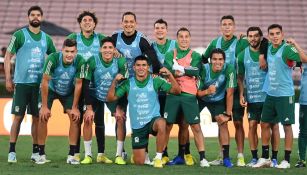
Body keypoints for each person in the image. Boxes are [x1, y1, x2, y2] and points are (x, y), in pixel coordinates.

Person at [106, 55, 181, 168]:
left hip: (153, 120)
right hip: (138, 126)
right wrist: (114, 82)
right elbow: (110, 98)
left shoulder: (155, 80)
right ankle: (142, 154)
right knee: (139, 162)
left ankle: (158, 158)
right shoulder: (128, 84)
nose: (141, 68)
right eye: (138, 65)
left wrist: (170, 75)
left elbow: (177, 91)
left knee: (162, 123)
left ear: (148, 67)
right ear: (134, 67)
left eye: (144, 65)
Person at [4, 6, 56, 163]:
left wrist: (51, 77)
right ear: (28, 17)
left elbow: (54, 57)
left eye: (38, 15)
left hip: (38, 85)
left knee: (36, 118)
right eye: (32, 15)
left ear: (42, 17)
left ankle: (35, 152)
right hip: (21, 83)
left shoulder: (46, 38)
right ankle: (12, 151)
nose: (35, 17)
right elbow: (7, 56)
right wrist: (8, 78)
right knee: (18, 117)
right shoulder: (19, 35)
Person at [253, 24, 307, 169]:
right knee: (264, 123)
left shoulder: (287, 49)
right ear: (269, 36)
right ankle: (265, 157)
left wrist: (295, 43)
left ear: (282, 35)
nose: (275, 36)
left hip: (285, 95)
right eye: (272, 34)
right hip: (271, 94)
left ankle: (287, 160)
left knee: (287, 126)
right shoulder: (269, 47)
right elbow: (256, 40)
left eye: (278, 33)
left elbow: (305, 59)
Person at [111, 11, 161, 164]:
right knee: (120, 117)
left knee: (141, 118)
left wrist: (156, 72)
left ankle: (144, 153)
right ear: (122, 23)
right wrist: (111, 51)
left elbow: (152, 56)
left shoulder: (142, 40)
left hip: (138, 85)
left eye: (131, 21)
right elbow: (104, 47)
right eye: (126, 21)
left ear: (136, 23)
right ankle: (119, 153)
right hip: (122, 84)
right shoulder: (114, 38)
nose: (128, 24)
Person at [202, 15, 249, 166]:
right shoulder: (215, 43)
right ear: (220, 27)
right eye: (224, 24)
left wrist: (247, 38)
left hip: (233, 89)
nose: (227, 27)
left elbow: (257, 45)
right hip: (218, 91)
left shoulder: (240, 42)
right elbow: (203, 60)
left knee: (237, 122)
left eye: (230, 24)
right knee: (221, 123)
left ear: (234, 27)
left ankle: (240, 155)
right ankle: (222, 155)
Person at [163, 27, 210, 168]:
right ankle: (162, 155)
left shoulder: (195, 55)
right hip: (172, 93)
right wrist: (177, 71)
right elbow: (167, 70)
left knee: (192, 125)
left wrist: (180, 69)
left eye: (186, 37)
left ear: (190, 39)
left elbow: (195, 71)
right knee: (168, 125)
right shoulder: (169, 54)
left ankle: (202, 158)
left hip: (189, 95)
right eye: (181, 37)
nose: (184, 39)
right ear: (177, 39)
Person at [36, 39, 85, 165]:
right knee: (43, 116)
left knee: (75, 117)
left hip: (68, 91)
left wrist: (74, 107)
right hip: (51, 89)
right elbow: (45, 81)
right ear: (62, 50)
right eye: (67, 51)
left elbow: (79, 84)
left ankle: (71, 155)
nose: (69, 54)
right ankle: (41, 154)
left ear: (76, 52)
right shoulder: (53, 58)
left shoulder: (80, 61)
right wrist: (45, 106)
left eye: (72, 52)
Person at [237, 27, 281, 167]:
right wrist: (241, 94)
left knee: (272, 126)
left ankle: (273, 158)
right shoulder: (242, 55)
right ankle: (255, 157)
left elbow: (275, 42)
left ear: (261, 37)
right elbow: (240, 77)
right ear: (247, 38)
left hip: (269, 96)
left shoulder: (268, 51)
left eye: (256, 36)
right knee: (251, 125)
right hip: (252, 97)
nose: (253, 38)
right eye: (250, 36)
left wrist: (262, 55)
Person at [80, 37, 127, 165]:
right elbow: (85, 84)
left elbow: (125, 85)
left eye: (110, 48)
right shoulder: (92, 60)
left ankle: (119, 155)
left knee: (121, 118)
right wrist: (89, 108)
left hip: (113, 95)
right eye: (105, 47)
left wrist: (119, 107)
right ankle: (88, 155)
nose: (107, 50)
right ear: (100, 49)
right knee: (88, 118)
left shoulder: (121, 61)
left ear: (114, 50)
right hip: (95, 95)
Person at [152, 18, 193, 165]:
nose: (160, 30)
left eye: (162, 27)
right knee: (165, 123)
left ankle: (186, 153)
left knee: (184, 123)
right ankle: (164, 153)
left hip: (180, 89)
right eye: (157, 28)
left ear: (166, 30)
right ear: (154, 30)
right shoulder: (151, 46)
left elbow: (186, 63)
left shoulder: (176, 45)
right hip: (161, 92)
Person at [67, 11, 106, 161]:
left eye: (90, 20)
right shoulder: (73, 38)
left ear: (95, 24)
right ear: (80, 23)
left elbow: (110, 48)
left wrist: (115, 51)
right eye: (84, 20)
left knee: (99, 121)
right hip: (77, 85)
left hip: (95, 87)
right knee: (77, 120)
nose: (88, 22)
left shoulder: (101, 38)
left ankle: (101, 154)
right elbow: (66, 54)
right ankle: (75, 152)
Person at [198, 48, 236, 168]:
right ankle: (185, 154)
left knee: (223, 123)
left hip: (218, 100)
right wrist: (207, 91)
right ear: (210, 60)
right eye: (214, 59)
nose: (217, 62)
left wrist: (227, 114)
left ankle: (225, 158)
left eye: (220, 59)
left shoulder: (229, 69)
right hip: (201, 99)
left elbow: (230, 93)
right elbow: (197, 92)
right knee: (186, 122)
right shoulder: (204, 69)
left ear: (224, 61)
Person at [287, 38, 307, 168]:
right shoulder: (302, 59)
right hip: (305, 101)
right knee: (303, 131)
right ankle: (302, 159)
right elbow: (297, 62)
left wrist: (295, 43)